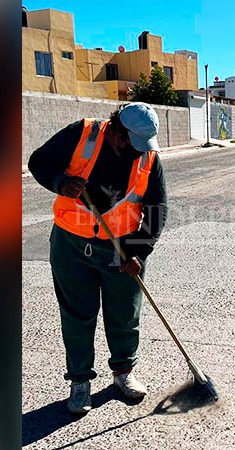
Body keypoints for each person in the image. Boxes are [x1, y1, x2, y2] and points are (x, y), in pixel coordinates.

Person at [28, 102, 168, 414]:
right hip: (71, 244)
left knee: (124, 314)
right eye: (130, 143)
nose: (136, 151)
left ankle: (124, 374)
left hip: (121, 246)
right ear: (116, 129)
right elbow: (39, 162)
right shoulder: (83, 134)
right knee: (78, 315)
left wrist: (139, 252)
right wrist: (61, 184)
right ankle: (80, 382)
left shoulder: (148, 157)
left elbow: (157, 207)